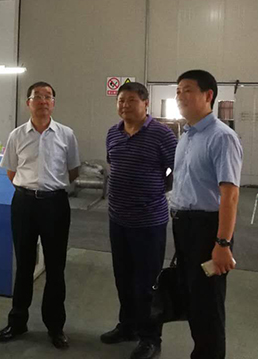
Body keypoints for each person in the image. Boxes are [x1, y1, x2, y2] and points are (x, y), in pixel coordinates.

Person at [0, 81, 80, 350]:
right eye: (37, 97)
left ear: (53, 103)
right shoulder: (17, 135)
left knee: (56, 267)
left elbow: (73, 171)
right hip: (24, 204)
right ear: (28, 103)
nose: (43, 101)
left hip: (55, 205)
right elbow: (11, 171)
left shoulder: (66, 135)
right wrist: (30, 189)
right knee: (24, 264)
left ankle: (55, 326)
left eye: (48, 97)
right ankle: (17, 322)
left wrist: (49, 188)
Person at [101, 82, 177, 359]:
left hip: (149, 222)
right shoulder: (113, 133)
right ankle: (127, 326)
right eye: (121, 101)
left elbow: (177, 169)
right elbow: (114, 164)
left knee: (147, 284)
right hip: (118, 219)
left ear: (146, 103)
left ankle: (150, 338)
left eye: (131, 100)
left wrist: (157, 190)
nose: (125, 105)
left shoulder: (161, 134)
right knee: (123, 278)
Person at [170, 70, 242, 359]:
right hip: (184, 226)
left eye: (187, 90)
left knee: (208, 304)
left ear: (208, 95)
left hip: (208, 229)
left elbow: (230, 195)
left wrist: (222, 243)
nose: (180, 96)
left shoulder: (222, 137)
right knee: (193, 298)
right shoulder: (187, 135)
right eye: (178, 91)